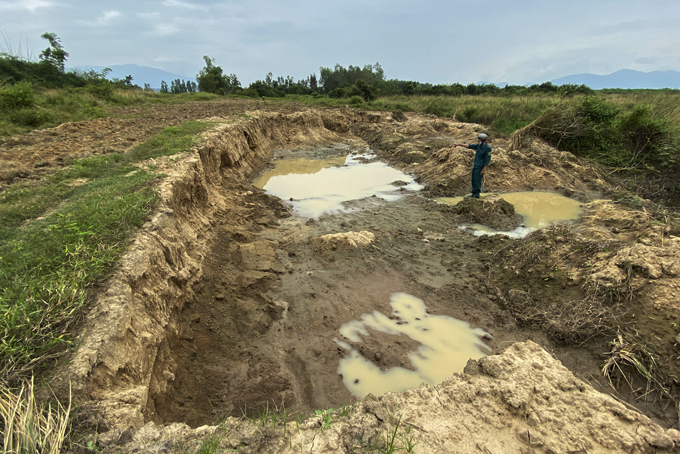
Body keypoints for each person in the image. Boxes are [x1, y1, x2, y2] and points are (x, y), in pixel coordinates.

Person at [453, 133, 492, 198]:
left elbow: (487, 160)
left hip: (480, 167)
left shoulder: (488, 148)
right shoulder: (478, 146)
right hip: (475, 166)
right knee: (473, 180)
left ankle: (477, 194)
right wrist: (459, 144)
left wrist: (484, 169)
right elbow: (469, 146)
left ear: (482, 140)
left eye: (479, 139)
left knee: (477, 180)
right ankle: (473, 193)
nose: (478, 140)